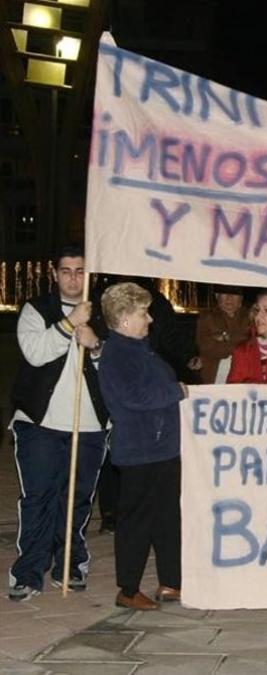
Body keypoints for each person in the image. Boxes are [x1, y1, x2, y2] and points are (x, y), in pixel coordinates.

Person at [7, 245, 108, 601]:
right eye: (66, 271)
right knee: (38, 498)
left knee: (77, 499)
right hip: (40, 424)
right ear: (55, 274)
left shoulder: (104, 314)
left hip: (90, 426)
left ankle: (71, 562)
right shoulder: (36, 309)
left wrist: (95, 346)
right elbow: (35, 354)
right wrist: (68, 324)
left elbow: (116, 371)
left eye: (80, 271)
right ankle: (28, 571)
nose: (73, 278)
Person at [96, 282, 189, 611]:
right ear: (123, 318)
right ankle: (129, 587)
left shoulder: (141, 349)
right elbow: (132, 398)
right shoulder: (117, 353)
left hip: (162, 449)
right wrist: (176, 392)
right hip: (139, 451)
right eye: (143, 313)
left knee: (166, 517)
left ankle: (171, 581)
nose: (149, 319)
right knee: (136, 521)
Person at [194, 285, 250, 385]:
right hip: (215, 378)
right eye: (225, 293)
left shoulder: (251, 317)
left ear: (241, 297)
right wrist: (240, 341)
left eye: (234, 294)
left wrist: (223, 338)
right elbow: (207, 349)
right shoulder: (206, 317)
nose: (229, 298)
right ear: (217, 296)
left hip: (246, 377)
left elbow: (254, 346)